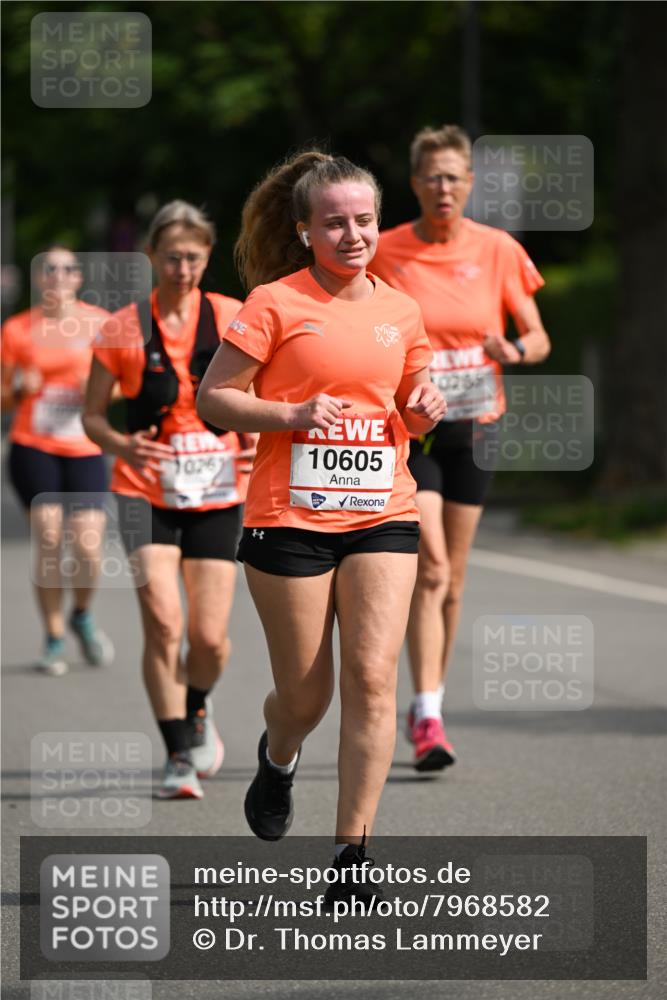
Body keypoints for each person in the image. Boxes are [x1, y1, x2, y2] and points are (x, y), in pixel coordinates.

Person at [197, 151, 445, 899]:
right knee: (307, 697)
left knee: (372, 681)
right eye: (333, 223)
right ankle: (278, 757)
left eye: (363, 220)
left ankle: (350, 856)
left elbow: (410, 401)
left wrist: (422, 409)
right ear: (304, 230)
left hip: (382, 512)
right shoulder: (273, 302)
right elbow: (215, 397)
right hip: (289, 517)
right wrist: (293, 414)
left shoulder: (400, 309)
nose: (352, 234)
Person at [373, 125, 551, 771]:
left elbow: (537, 336)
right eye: (431, 177)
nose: (443, 188)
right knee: (432, 567)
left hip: (476, 423)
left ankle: (431, 703)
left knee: (453, 584)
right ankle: (423, 716)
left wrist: (515, 349)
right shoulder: (386, 251)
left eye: (454, 177)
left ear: (468, 184)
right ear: (414, 184)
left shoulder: (498, 248)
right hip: (413, 426)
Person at [82, 201, 251, 800]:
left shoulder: (233, 317)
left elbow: (260, 398)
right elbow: (93, 418)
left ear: (208, 258)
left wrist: (257, 440)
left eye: (195, 258)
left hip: (219, 490)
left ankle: (197, 707)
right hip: (144, 490)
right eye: (172, 257)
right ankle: (178, 751)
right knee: (162, 622)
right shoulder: (123, 328)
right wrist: (123, 446)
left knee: (207, 638)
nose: (183, 268)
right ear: (152, 256)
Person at [1, 245, 115, 676]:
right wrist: (18, 388)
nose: (59, 275)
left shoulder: (100, 325)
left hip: (84, 445)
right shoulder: (17, 330)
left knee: (88, 546)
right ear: (39, 278)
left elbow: (127, 387)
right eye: (50, 268)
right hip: (34, 446)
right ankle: (52, 636)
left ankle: (81, 614)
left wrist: (98, 391)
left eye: (68, 268)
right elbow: (2, 396)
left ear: (78, 278)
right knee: (49, 540)